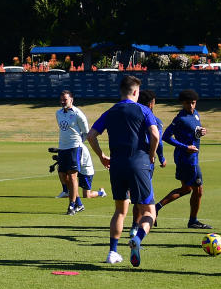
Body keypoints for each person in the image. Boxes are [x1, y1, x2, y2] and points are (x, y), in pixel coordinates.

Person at [86, 75, 159, 267]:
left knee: (120, 210)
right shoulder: (143, 109)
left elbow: (91, 135)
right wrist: (151, 154)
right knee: (149, 211)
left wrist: (102, 156)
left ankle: (113, 252)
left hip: (117, 165)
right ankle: (137, 238)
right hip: (139, 164)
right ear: (136, 92)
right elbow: (155, 134)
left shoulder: (111, 111)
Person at [155, 89, 211, 230]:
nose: (191, 106)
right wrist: (185, 147)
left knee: (186, 189)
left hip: (191, 157)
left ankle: (156, 207)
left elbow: (193, 133)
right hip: (187, 159)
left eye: (193, 103)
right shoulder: (180, 118)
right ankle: (193, 221)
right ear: (182, 103)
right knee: (198, 191)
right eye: (187, 103)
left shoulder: (196, 114)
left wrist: (201, 132)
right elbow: (166, 137)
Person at [132, 90, 166, 234]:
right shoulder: (155, 120)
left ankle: (135, 224)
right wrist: (161, 157)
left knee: (135, 194)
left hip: (131, 158)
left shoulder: (132, 119)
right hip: (146, 160)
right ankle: (141, 224)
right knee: (144, 194)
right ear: (151, 103)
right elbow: (158, 141)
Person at [55, 89, 89, 214]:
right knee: (64, 176)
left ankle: (72, 205)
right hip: (62, 148)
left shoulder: (78, 114)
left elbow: (86, 132)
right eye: (62, 100)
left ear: (71, 100)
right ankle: (79, 203)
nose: (63, 102)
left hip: (74, 147)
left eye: (65, 100)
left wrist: (78, 144)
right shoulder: (58, 113)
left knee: (73, 176)